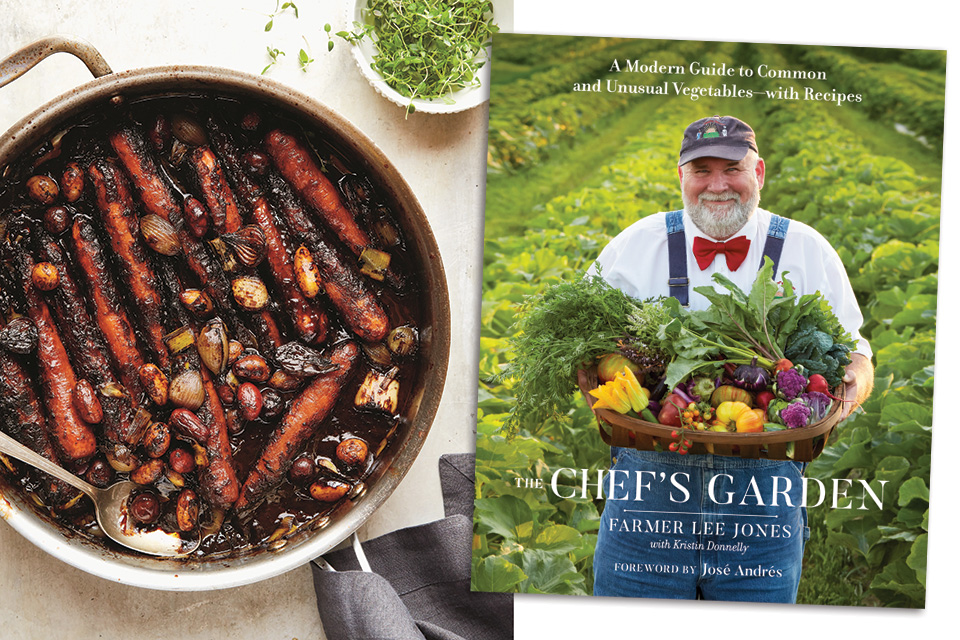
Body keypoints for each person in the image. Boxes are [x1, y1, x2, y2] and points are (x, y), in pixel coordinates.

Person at [587, 115, 874, 602]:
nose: (717, 186)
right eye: (701, 170)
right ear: (681, 177)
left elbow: (857, 356)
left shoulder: (806, 250)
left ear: (758, 173)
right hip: (646, 502)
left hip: (762, 508)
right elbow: (585, 345)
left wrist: (843, 397)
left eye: (733, 169)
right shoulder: (635, 246)